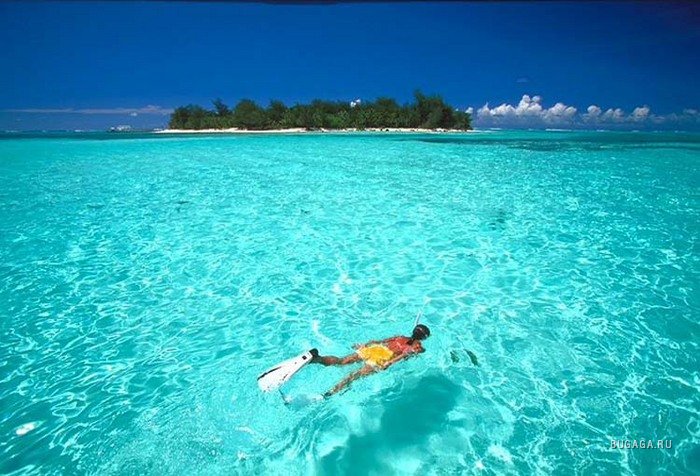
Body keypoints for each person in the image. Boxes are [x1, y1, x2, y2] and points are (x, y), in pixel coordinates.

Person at [310, 324, 431, 397]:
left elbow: (378, 341)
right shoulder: (417, 347)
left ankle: (317, 359)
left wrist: (364, 346)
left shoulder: (400, 337)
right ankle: (331, 393)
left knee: (341, 361)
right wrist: (389, 363)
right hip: (383, 358)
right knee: (354, 376)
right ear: (424, 338)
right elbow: (405, 354)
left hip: (375, 349)